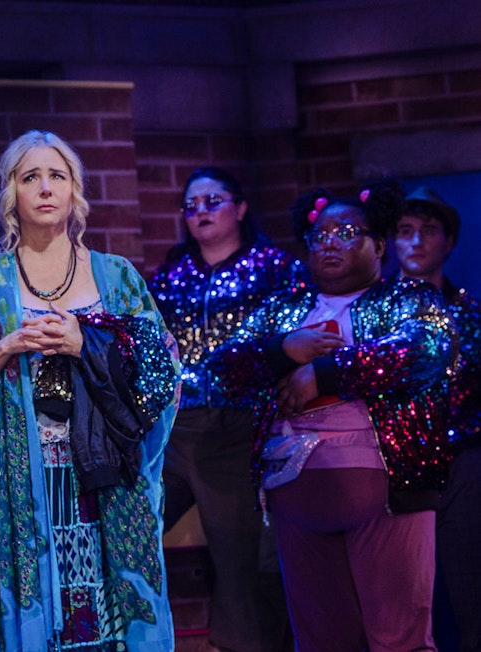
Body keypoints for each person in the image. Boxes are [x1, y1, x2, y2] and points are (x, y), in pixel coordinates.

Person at [0, 130, 181, 651]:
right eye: (31, 177)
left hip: (108, 477)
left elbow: (163, 367)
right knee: (45, 622)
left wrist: (84, 343)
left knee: (111, 617)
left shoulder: (116, 275)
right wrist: (7, 346)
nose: (45, 188)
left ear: (74, 192)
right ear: (12, 195)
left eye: (57, 176)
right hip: (22, 483)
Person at [211, 180, 457, 652]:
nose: (330, 242)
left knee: (399, 639)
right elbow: (224, 366)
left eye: (347, 232)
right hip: (296, 492)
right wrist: (283, 349)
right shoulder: (284, 309)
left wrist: (324, 373)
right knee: (321, 641)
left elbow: (425, 350)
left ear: (379, 246)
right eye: (320, 234)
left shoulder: (406, 299)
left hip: (386, 489)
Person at [148, 167, 302, 652]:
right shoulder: (171, 276)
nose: (201, 213)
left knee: (239, 556)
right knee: (130, 523)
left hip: (241, 426)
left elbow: (291, 343)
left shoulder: (276, 268)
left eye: (212, 201)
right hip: (175, 427)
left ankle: (238, 645)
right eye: (191, 206)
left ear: (239, 208)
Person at [394, 187, 481, 652]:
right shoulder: (376, 314)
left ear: (448, 241)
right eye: (404, 231)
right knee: (400, 599)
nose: (415, 242)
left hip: (462, 465)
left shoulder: (470, 315)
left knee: (470, 594)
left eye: (428, 231)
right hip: (395, 466)